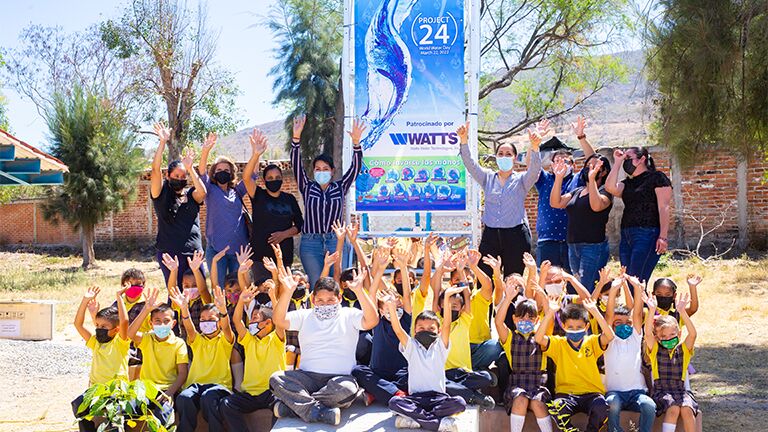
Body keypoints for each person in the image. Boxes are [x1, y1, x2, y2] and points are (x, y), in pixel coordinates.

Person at [270, 267, 379, 426]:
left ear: (339, 298)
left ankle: (295, 406)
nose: (325, 304)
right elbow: (279, 320)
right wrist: (287, 291)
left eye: (330, 300)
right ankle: (317, 411)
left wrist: (360, 291)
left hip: (339, 380)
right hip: (307, 377)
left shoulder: (349, 314)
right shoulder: (305, 315)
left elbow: (372, 321)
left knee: (347, 390)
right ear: (313, 300)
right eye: (320, 300)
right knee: (277, 378)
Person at [458, 120, 545, 277]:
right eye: (501, 154)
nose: (504, 157)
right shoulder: (487, 178)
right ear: (496, 156)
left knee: (513, 279)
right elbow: (470, 164)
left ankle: (511, 302)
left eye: (508, 154)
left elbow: (534, 170)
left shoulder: (521, 180)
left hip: (516, 236)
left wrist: (535, 147)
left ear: (514, 157)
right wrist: (463, 141)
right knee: (485, 278)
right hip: (491, 236)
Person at [290, 115, 366, 287]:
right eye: (318, 169)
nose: (321, 171)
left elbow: (355, 168)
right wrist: (296, 138)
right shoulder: (307, 186)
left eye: (325, 169)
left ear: (332, 171)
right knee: (318, 284)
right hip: (311, 243)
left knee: (337, 283)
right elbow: (296, 165)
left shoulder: (340, 187)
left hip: (335, 241)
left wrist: (356, 143)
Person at [386, 291, 467, 432]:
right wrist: (391, 307)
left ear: (438, 331)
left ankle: (416, 420)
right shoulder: (411, 347)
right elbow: (398, 330)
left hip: (438, 399)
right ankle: (436, 423)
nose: (426, 331)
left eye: (431, 328)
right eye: (421, 328)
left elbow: (447, 325)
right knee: (394, 402)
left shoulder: (441, 346)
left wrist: (447, 298)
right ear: (415, 330)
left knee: (460, 403)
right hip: (416, 399)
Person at [429, 250, 496, 410]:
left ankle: (462, 390)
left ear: (462, 309)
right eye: (447, 305)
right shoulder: (438, 321)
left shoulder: (464, 320)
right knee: (440, 383)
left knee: (486, 377)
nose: (451, 308)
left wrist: (461, 269)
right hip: (445, 372)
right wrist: (439, 269)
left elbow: (466, 295)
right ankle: (473, 396)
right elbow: (436, 292)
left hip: (464, 372)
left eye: (455, 306)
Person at [535, 299, 614, 432]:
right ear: (564, 327)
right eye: (570, 327)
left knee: (601, 407)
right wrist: (550, 313)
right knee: (557, 408)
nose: (575, 331)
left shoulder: (592, 341)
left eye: (579, 327)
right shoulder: (558, 343)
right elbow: (538, 338)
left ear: (587, 327)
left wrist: (594, 311)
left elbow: (609, 336)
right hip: (566, 394)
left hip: (592, 394)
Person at [351, 246, 413, 406]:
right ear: (379, 309)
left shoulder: (405, 319)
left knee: (415, 374)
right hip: (378, 372)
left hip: (402, 373)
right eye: (387, 304)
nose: (392, 306)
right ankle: (396, 394)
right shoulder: (376, 321)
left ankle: (378, 393)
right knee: (358, 371)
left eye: (396, 304)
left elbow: (407, 295)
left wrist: (403, 266)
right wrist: (380, 269)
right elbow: (371, 294)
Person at [219, 284, 286, 430]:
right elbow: (237, 320)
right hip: (250, 394)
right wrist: (241, 301)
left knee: (281, 407)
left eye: (255, 318)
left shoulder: (276, 339)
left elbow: (280, 319)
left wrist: (273, 297)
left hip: (272, 392)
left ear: (268, 322)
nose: (251, 323)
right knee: (226, 404)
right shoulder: (249, 339)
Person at [534, 116, 596, 271]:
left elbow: (593, 161)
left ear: (574, 165)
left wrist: (581, 137)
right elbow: (531, 164)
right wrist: (534, 142)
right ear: (551, 165)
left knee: (572, 285)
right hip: (547, 241)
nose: (562, 165)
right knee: (547, 284)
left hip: (573, 241)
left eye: (566, 161)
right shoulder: (544, 178)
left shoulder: (579, 180)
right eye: (558, 161)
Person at [170, 285, 234, 432]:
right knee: (184, 398)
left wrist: (223, 311)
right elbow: (189, 327)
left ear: (219, 321)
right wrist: (184, 309)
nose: (206, 322)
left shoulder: (225, 340)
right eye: (202, 319)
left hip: (218, 386)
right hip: (195, 385)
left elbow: (227, 328)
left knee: (208, 397)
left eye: (211, 319)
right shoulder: (197, 340)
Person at [150, 123, 207, 288]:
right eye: (176, 175)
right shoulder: (160, 195)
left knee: (199, 293)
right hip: (170, 255)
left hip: (194, 255)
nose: (180, 179)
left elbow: (202, 192)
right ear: (168, 175)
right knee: (176, 296)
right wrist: (162, 142)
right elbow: (154, 170)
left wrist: (190, 168)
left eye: (183, 176)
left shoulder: (190, 195)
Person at [242, 129, 303, 279]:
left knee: (283, 295)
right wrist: (256, 154)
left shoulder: (289, 199)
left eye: (277, 177)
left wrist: (284, 234)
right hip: (260, 257)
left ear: (282, 178)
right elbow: (246, 177)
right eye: (270, 177)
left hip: (284, 256)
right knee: (263, 296)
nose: (274, 180)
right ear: (264, 181)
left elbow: (300, 225)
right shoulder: (258, 195)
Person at [605, 147, 672, 283]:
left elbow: (664, 207)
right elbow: (610, 187)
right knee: (627, 277)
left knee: (636, 279)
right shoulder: (628, 183)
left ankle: (641, 304)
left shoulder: (657, 178)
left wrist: (663, 237)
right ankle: (636, 304)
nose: (626, 162)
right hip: (626, 233)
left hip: (647, 232)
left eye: (628, 158)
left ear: (642, 159)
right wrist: (617, 162)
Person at [550, 154, 613, 292]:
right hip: (573, 246)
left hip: (593, 247)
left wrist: (592, 180)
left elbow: (596, 206)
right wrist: (558, 178)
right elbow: (556, 202)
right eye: (588, 165)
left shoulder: (605, 191)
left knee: (586, 288)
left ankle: (590, 312)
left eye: (595, 166)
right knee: (578, 285)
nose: (590, 168)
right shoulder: (577, 191)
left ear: (603, 171)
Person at [72, 288, 131, 432]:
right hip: (96, 390)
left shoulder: (120, 344)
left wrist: (119, 297)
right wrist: (85, 301)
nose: (99, 329)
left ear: (116, 330)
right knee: (78, 405)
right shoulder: (96, 342)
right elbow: (78, 324)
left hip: (116, 392)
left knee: (115, 420)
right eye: (97, 325)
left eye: (104, 326)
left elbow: (124, 321)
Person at [197, 132, 251, 288]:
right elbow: (201, 172)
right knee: (219, 290)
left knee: (238, 291)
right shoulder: (210, 190)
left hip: (239, 252)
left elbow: (251, 176)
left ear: (232, 173)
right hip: (217, 251)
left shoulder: (237, 192)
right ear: (214, 173)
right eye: (219, 169)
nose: (223, 172)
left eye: (226, 170)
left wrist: (256, 153)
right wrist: (206, 151)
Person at [604, 275, 657, 432]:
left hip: (637, 392)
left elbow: (638, 314)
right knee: (612, 403)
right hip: (615, 392)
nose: (624, 326)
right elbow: (608, 316)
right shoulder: (609, 339)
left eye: (627, 323)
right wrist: (613, 290)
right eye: (618, 323)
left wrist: (637, 288)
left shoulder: (635, 337)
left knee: (649, 405)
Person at [126, 288, 189, 416]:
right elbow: (129, 333)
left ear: (173, 323)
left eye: (166, 321)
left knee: (163, 413)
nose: (162, 324)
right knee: (125, 409)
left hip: (168, 389)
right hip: (145, 389)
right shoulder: (147, 338)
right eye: (157, 321)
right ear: (151, 323)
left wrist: (169, 393)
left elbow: (183, 374)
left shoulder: (179, 343)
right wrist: (146, 310)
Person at [643, 294, 698, 432]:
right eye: (663, 336)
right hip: (662, 390)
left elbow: (692, 334)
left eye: (672, 335)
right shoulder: (655, 350)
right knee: (673, 408)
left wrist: (682, 311)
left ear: (679, 334)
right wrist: (651, 310)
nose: (668, 339)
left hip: (680, 390)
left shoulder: (684, 350)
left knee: (687, 409)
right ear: (658, 338)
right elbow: (648, 334)